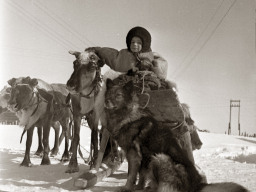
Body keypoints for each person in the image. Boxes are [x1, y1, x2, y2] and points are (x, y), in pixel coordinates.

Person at [91, 26, 168, 79]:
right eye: (132, 42)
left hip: (144, 82)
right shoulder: (124, 55)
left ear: (144, 45)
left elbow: (161, 72)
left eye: (139, 43)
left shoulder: (152, 56)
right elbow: (109, 54)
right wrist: (96, 50)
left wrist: (153, 68)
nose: (135, 44)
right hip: (125, 82)